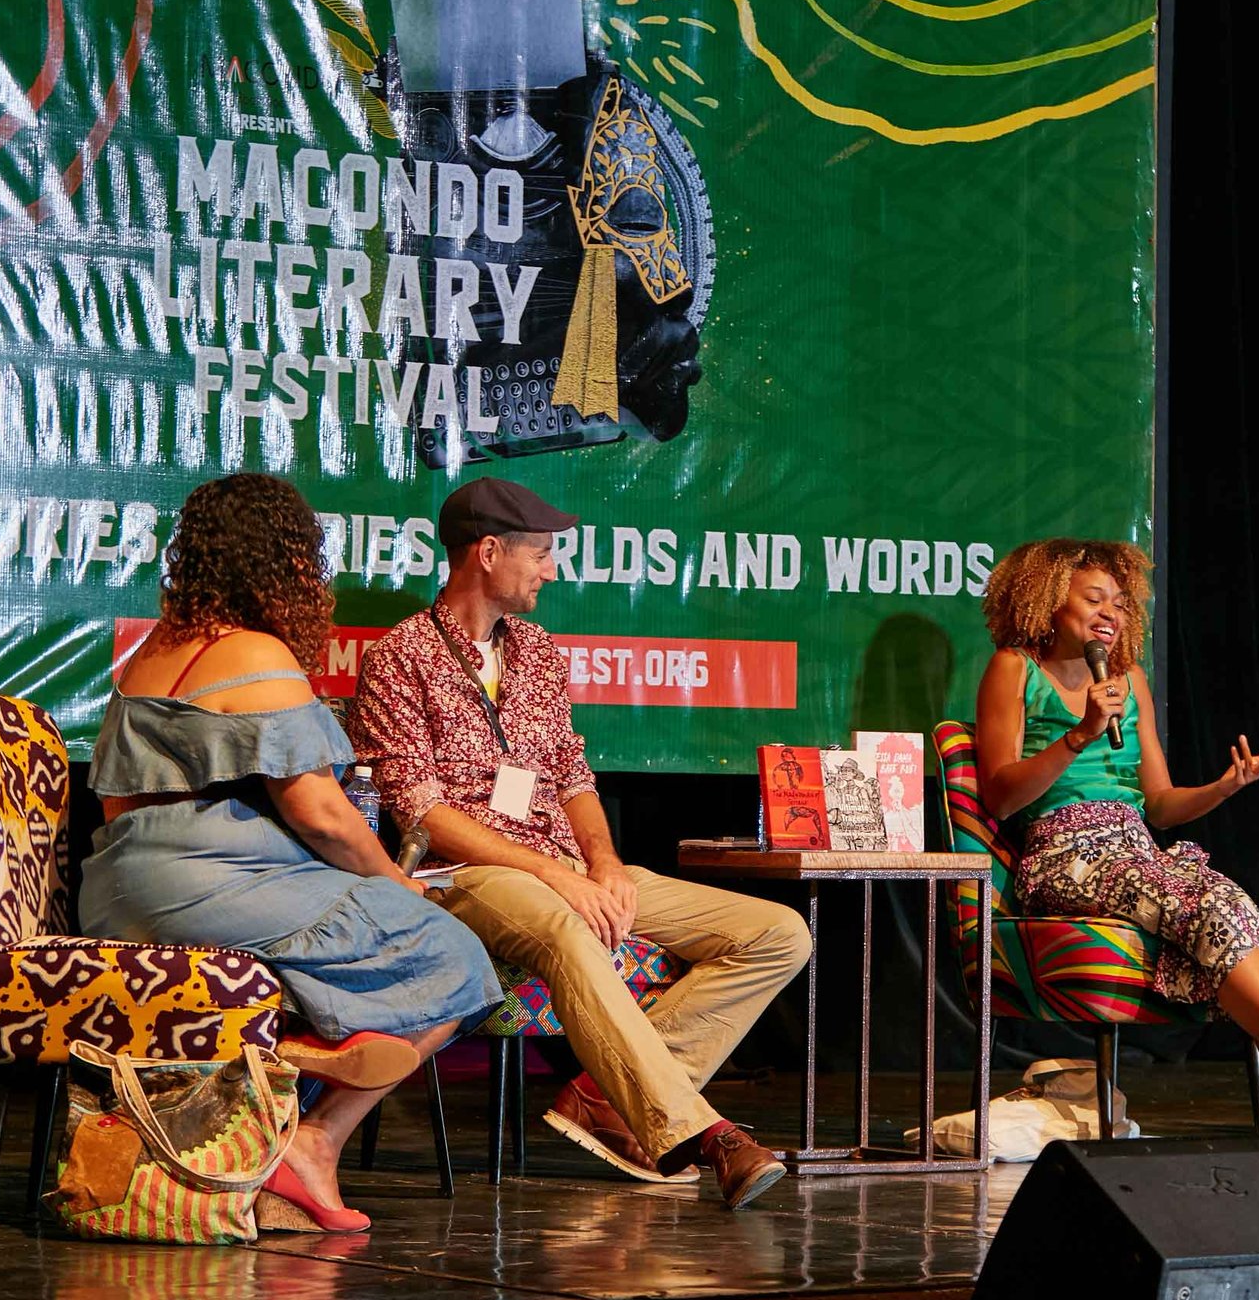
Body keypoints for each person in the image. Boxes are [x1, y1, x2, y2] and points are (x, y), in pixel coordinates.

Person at [350, 477, 811, 1209]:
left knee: (778, 933)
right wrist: (556, 876)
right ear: (490, 552)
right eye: (540, 553)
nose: (552, 569)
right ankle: (701, 1131)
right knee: (572, 927)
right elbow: (421, 812)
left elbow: (572, 774)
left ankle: (604, 1095)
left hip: (565, 862)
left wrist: (602, 861)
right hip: (465, 873)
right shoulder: (398, 657)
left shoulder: (535, 650)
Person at [80, 474, 500, 1233]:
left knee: (360, 941)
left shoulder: (153, 651)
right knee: (458, 957)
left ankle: (272, 1104)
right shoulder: (256, 653)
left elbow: (121, 801)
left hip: (118, 887)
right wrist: (398, 885)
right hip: (207, 886)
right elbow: (324, 815)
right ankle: (311, 1136)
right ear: (284, 561)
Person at [972, 538, 1259, 1158]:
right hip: (1065, 855)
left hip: (1136, 849)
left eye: (1119, 601)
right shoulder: (1014, 668)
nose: (1111, 612)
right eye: (1094, 598)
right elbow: (1000, 797)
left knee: (1231, 911)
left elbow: (1160, 803)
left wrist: (1225, 788)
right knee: (1209, 914)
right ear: (1046, 601)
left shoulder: (1128, 680)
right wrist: (1081, 735)